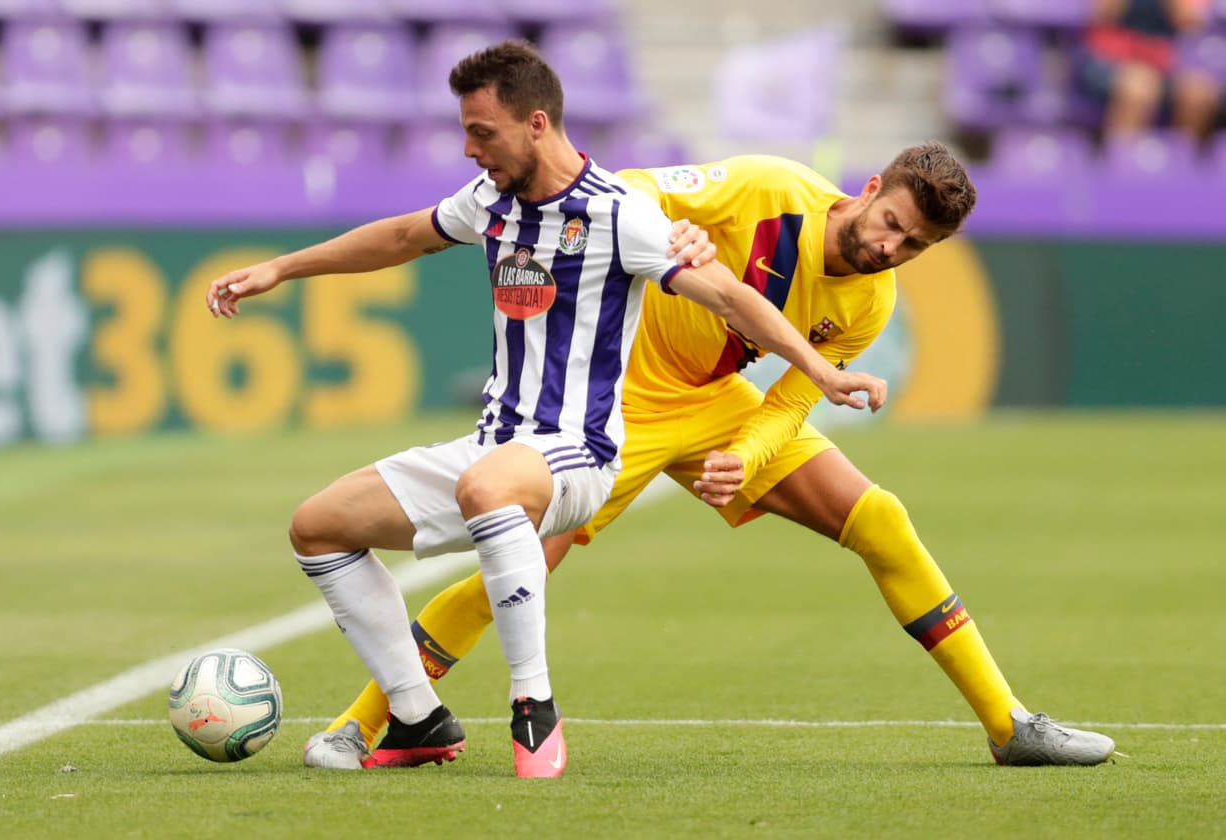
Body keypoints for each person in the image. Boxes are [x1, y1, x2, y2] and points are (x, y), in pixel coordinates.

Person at [303, 145, 1119, 771]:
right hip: (617, 401)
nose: (893, 247)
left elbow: (793, 397)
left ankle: (1010, 726)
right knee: (520, 562)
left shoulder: (871, 301)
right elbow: (623, 190)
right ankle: (370, 722)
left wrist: (747, 457)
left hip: (715, 404)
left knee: (880, 519)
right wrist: (673, 225)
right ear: (869, 190)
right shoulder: (770, 187)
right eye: (894, 224)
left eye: (916, 245)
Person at [205, 41, 884, 779]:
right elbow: (403, 236)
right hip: (494, 445)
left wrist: (818, 369)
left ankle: (534, 708)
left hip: (579, 451)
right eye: (465, 132)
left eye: (482, 132)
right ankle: (416, 717)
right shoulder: (491, 202)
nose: (469, 150)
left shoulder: (621, 214)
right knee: (319, 528)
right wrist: (281, 267)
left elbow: (728, 295)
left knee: (488, 487)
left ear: (535, 123)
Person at [1077, 0, 1221, 144]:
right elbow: (1103, 14)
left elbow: (1189, 22)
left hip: (1161, 63)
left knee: (1198, 94)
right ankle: (1123, 161)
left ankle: (1180, 162)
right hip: (1108, 58)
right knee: (1139, 88)